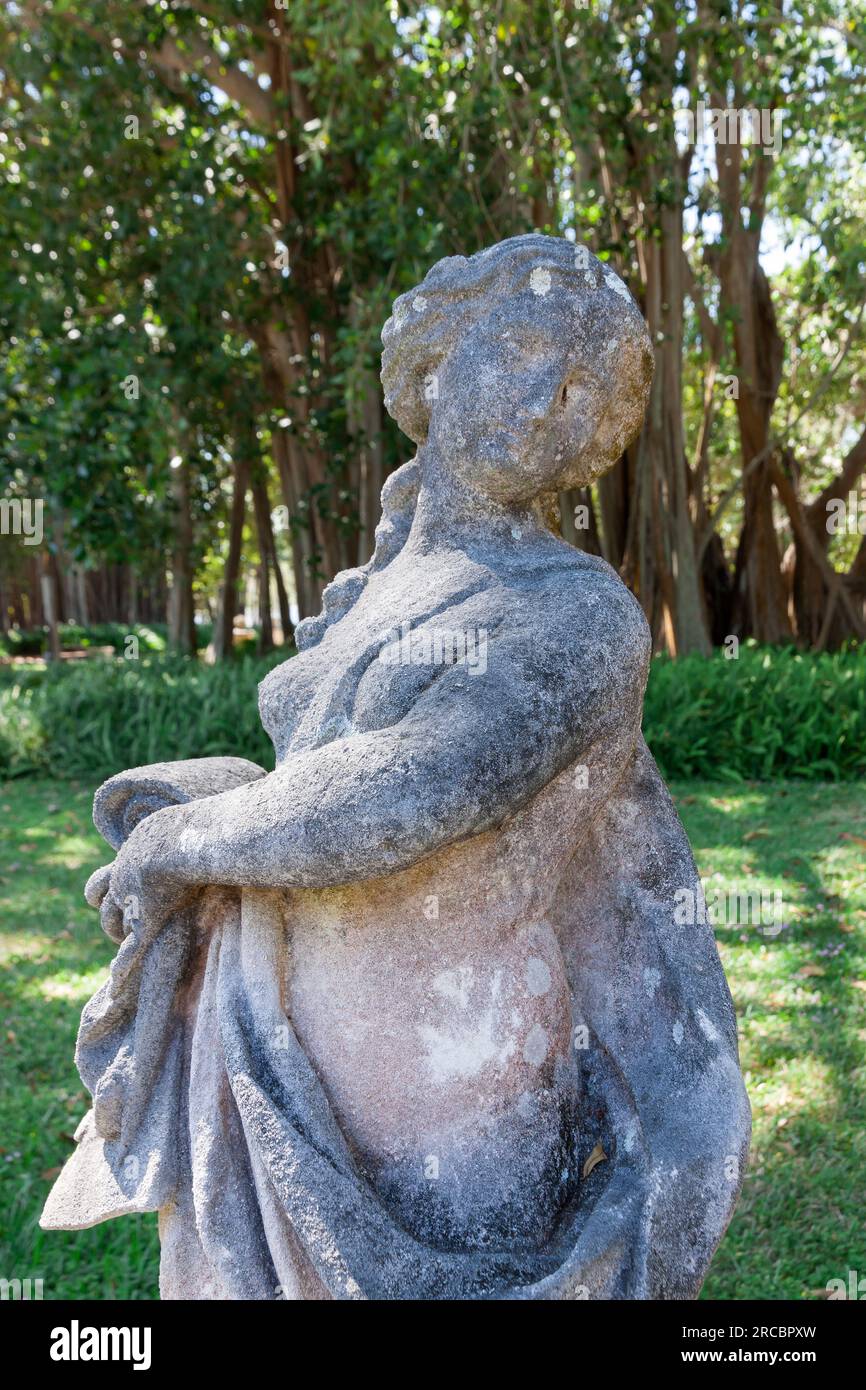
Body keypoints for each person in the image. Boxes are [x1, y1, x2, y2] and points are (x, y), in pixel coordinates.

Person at [43, 235, 750, 1300]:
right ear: (433, 359)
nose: (552, 398)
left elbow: (412, 787)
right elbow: (325, 770)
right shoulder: (368, 592)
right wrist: (214, 805)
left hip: (461, 1113)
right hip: (282, 1077)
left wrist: (179, 838)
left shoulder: (578, 613)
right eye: (521, 347)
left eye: (589, 396)